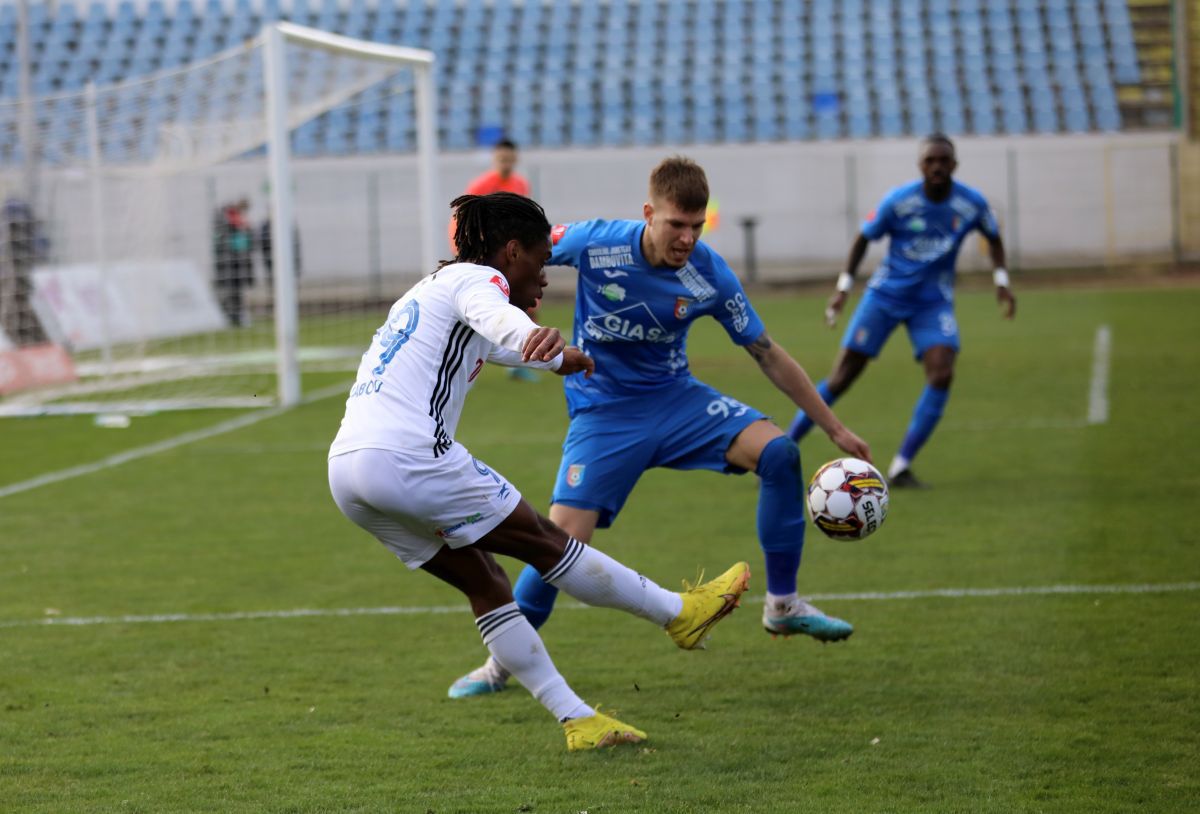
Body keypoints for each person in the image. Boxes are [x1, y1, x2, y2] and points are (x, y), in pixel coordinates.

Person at [327, 192, 752, 751]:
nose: (546, 278)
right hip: (408, 455)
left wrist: (555, 358)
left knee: (486, 581)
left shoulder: (429, 290)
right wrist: (530, 336)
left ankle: (576, 720)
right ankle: (680, 614)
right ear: (510, 252)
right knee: (547, 542)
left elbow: (484, 339)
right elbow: (495, 317)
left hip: (348, 473)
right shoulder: (481, 282)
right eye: (539, 260)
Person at [448, 157, 871, 699]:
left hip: (677, 402)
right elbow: (521, 248)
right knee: (555, 545)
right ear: (649, 214)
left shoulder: (709, 274)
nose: (687, 238)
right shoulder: (596, 243)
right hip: (603, 414)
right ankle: (498, 666)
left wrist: (833, 428)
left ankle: (783, 605)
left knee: (781, 454)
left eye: (696, 226)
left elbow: (767, 353)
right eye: (676, 224)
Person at [787, 134, 1016, 488]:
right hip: (885, 297)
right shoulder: (899, 201)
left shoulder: (971, 204)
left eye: (944, 161)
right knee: (841, 378)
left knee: (942, 374)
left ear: (954, 165)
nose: (937, 166)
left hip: (932, 302)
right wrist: (843, 289)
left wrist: (1001, 280)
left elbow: (994, 236)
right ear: (921, 165)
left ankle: (900, 466)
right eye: (930, 161)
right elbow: (863, 238)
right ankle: (786, 449)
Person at [452, 139, 539, 382]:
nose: (506, 163)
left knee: (529, 302)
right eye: (502, 158)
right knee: (488, 306)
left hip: (512, 253)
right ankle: (468, 358)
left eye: (509, 158)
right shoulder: (481, 185)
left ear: (515, 159)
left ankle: (521, 361)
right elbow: (464, 221)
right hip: (485, 256)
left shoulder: (520, 184)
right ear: (494, 159)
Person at [212, 199, 255, 327]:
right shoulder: (226, 223)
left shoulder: (238, 226)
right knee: (230, 291)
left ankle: (236, 315)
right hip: (227, 265)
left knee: (236, 291)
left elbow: (247, 244)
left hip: (237, 264)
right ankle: (230, 316)